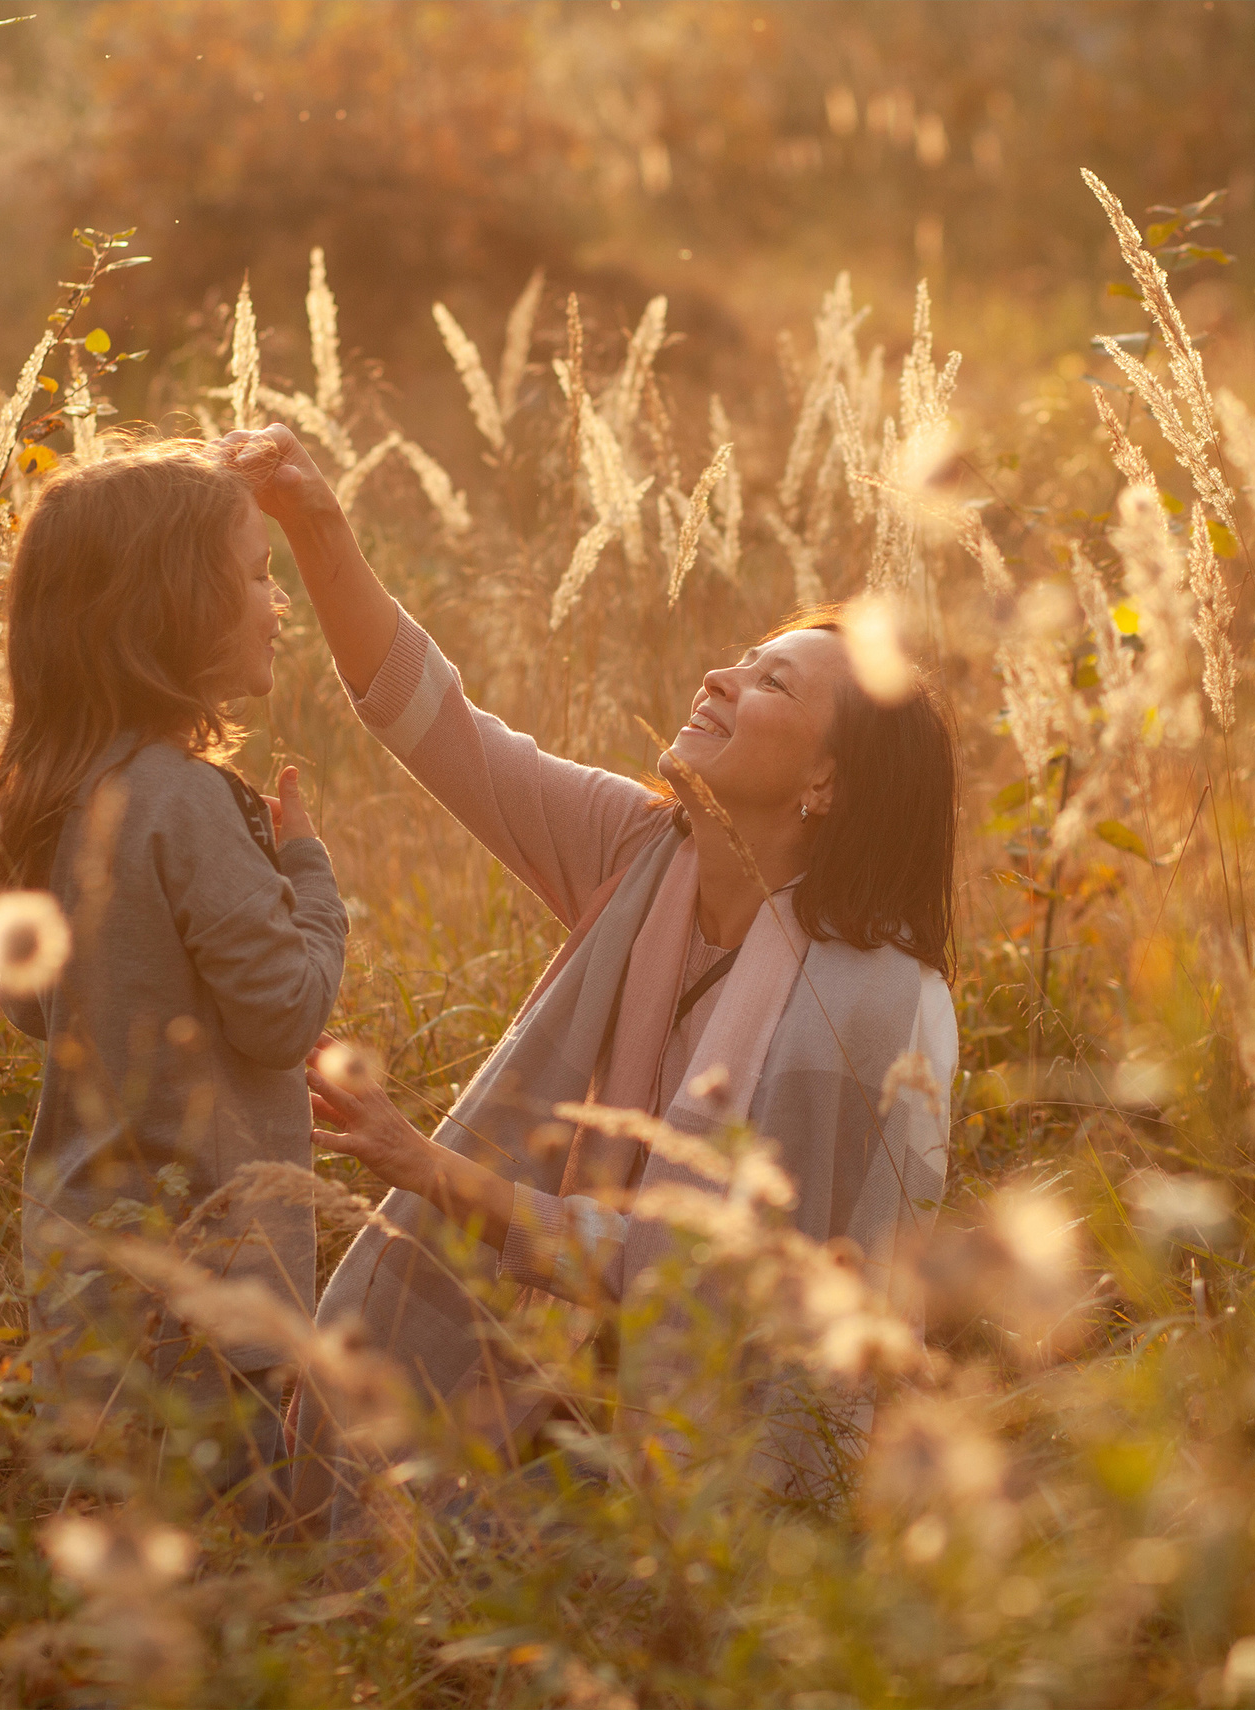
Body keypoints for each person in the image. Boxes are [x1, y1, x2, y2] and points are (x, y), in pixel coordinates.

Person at [224, 422, 958, 1487]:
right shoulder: (641, 851)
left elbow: (708, 1287)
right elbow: (439, 725)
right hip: (574, 1372)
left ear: (827, 784)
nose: (717, 677)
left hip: (733, 1455)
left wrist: (428, 1166)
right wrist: (315, 522)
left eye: (771, 684)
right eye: (740, 658)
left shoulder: (867, 1003)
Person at [0, 440, 348, 1499]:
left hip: (80, 1272)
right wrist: (310, 876)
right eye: (258, 575)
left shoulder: (45, 797)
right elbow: (284, 1014)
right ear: (174, 609)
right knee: (237, 1548)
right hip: (215, 1285)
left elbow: (30, 1008)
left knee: (116, 1534)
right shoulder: (184, 802)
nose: (278, 604)